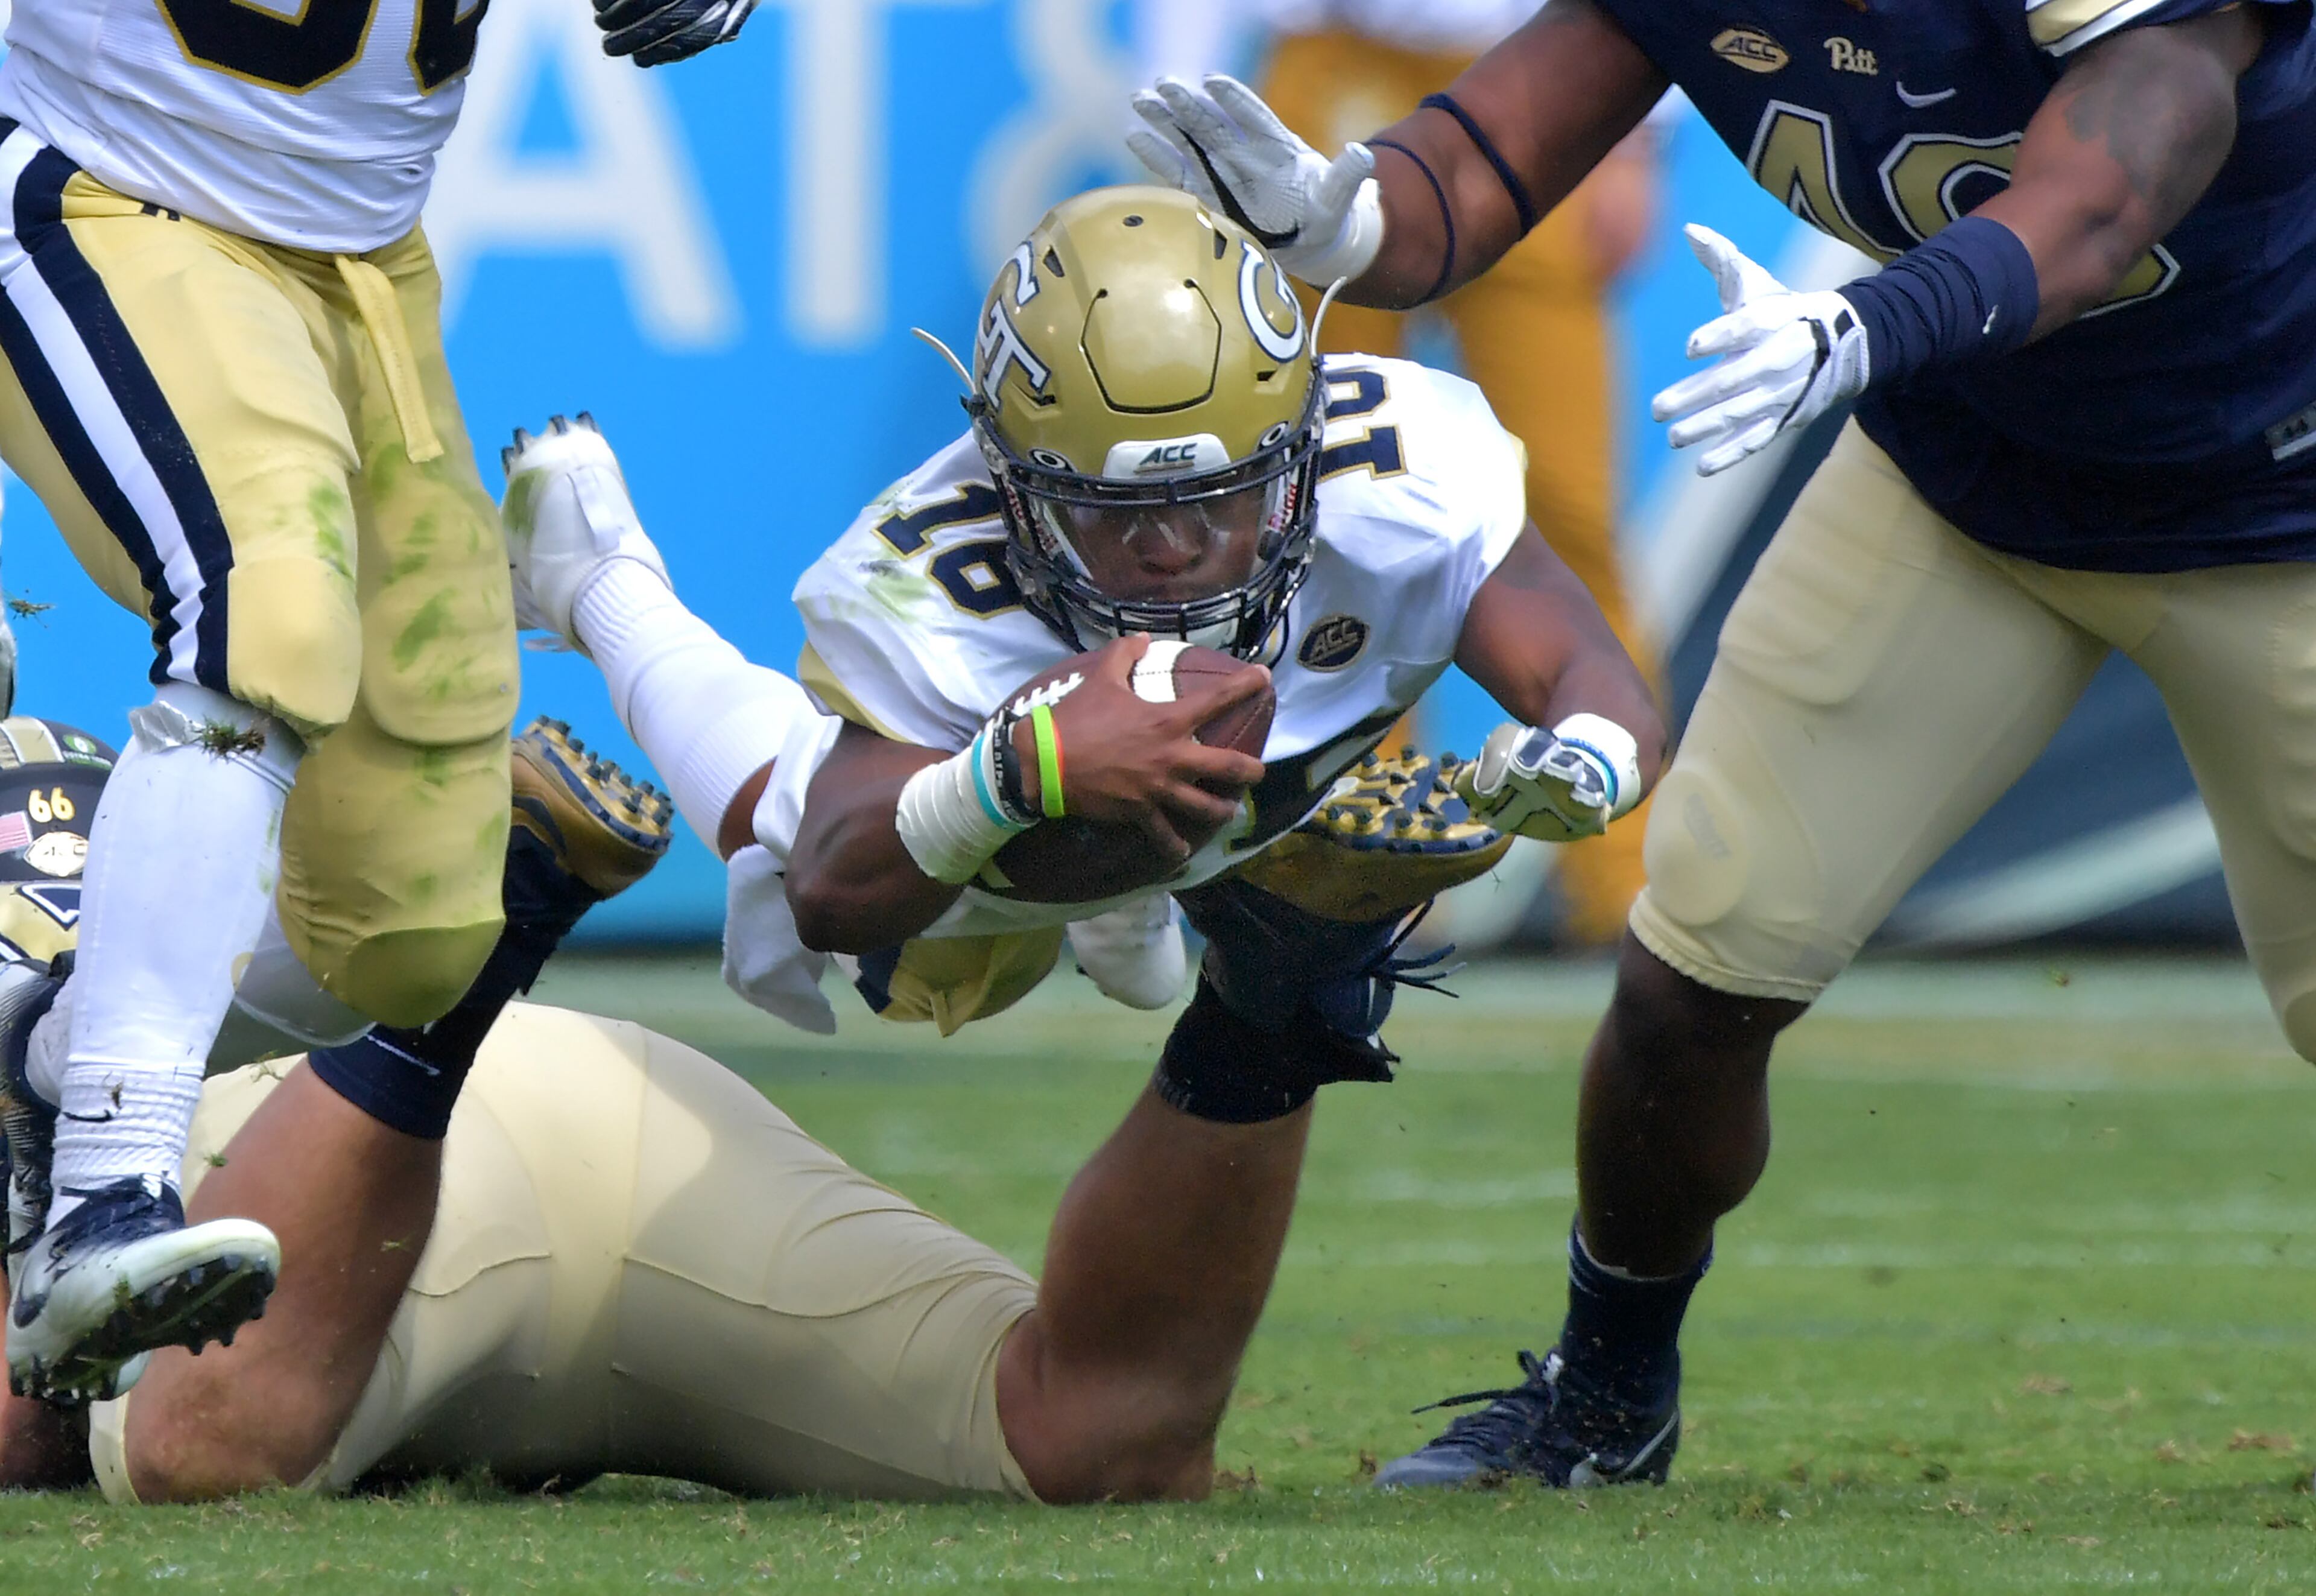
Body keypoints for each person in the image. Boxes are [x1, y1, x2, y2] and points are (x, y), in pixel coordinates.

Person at [1128, 0, 2316, 1489]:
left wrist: (1868, 324)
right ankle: (1607, 1402)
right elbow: (1479, 164)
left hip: (2281, 504)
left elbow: (2113, 191)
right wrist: (1344, 218)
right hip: (1973, 492)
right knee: (1697, 979)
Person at [0, 0, 762, 1401]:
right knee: (262, 606)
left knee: (413, 933)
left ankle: (42, 1063)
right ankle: (104, 1196)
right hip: (100, 182)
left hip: (362, 266)